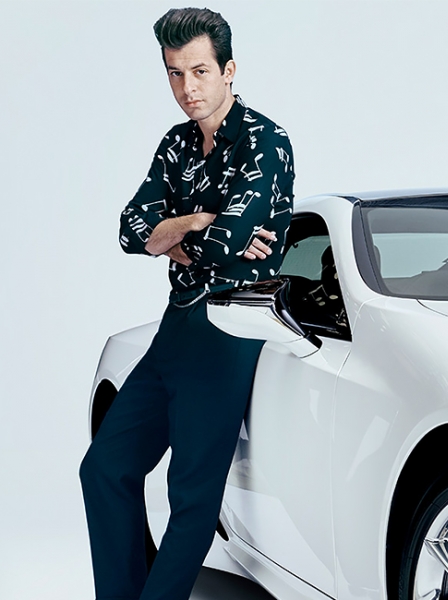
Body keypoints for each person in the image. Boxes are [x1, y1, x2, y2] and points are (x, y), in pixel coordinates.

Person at [79, 7, 294, 599]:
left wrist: (176, 236)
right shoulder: (176, 143)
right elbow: (130, 230)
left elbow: (224, 246)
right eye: (175, 73)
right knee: (104, 468)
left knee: (192, 495)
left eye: (199, 71)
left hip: (229, 329)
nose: (187, 88)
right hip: (177, 327)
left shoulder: (266, 142)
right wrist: (196, 221)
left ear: (229, 70)